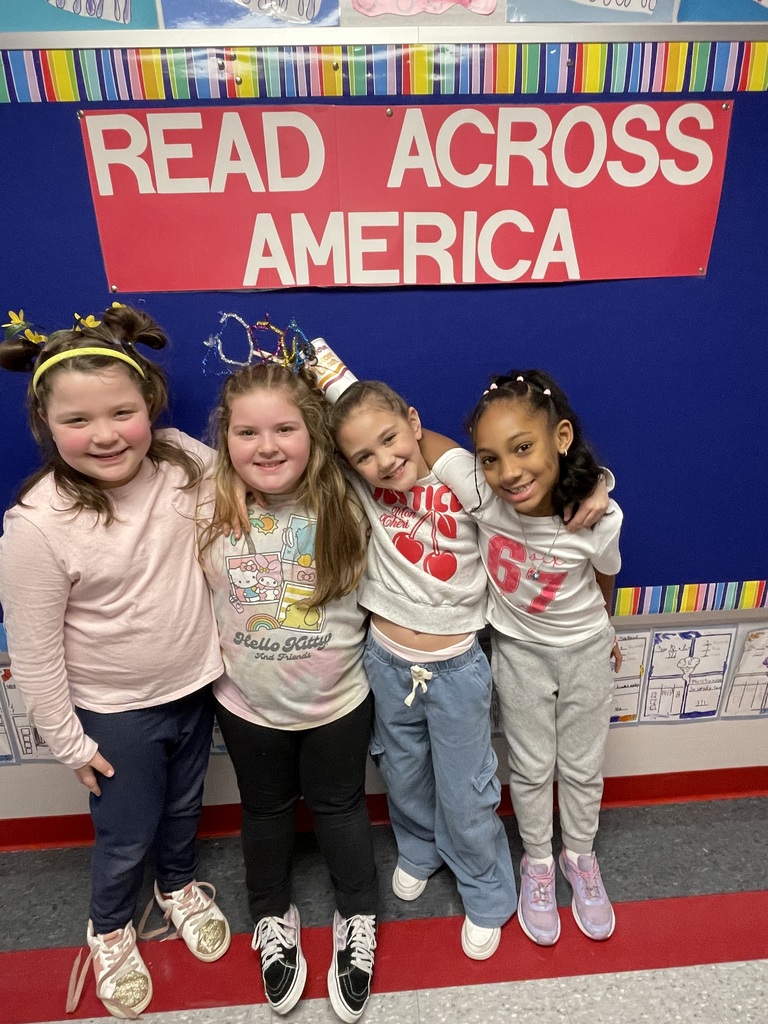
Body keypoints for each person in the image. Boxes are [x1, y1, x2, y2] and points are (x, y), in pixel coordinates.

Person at [314, 342, 609, 961]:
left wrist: (599, 488)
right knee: (402, 768)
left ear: (416, 425)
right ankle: (419, 847)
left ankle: (486, 887)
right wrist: (328, 380)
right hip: (385, 658)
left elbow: (546, 491)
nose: (382, 460)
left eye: (393, 440)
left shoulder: (470, 480)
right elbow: (349, 423)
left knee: (467, 786)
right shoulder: (361, 482)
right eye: (363, 456)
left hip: (457, 667)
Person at [0, 305, 230, 1020]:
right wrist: (69, 742)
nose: (104, 435)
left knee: (183, 809)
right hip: (113, 714)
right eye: (77, 421)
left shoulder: (184, 460)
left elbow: (251, 491)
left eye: (121, 412)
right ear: (45, 424)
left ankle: (180, 886)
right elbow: (34, 653)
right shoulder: (37, 526)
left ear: (150, 405)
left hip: (195, 685)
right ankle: (107, 926)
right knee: (125, 832)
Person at [198, 360, 378, 1022]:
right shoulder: (205, 499)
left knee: (339, 807)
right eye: (247, 432)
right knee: (266, 811)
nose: (266, 446)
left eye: (284, 429)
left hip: (337, 701)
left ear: (317, 433)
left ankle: (358, 917)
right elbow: (138, 455)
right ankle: (271, 916)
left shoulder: (352, 497)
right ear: (224, 440)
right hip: (248, 705)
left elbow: (422, 452)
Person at [423, 369, 623, 948]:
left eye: (523, 448)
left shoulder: (596, 516)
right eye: (489, 458)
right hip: (517, 653)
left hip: (585, 651)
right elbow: (414, 436)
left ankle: (579, 858)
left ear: (561, 437)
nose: (508, 472)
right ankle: (538, 861)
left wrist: (606, 627)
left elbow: (606, 574)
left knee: (582, 766)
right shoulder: (484, 493)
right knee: (532, 768)